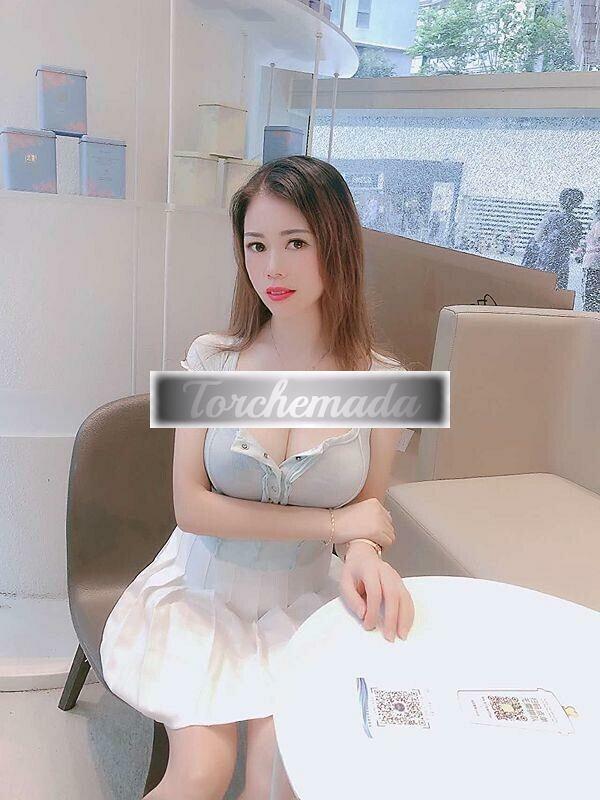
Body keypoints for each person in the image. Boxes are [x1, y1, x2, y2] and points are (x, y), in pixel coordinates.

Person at [99, 155, 416, 800]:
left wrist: (363, 553)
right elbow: (191, 507)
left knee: (278, 783)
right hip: (203, 592)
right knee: (199, 775)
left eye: (296, 243)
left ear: (337, 246)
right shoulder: (211, 359)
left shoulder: (385, 383)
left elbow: (368, 514)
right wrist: (335, 524)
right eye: (256, 245)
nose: (272, 268)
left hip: (302, 602)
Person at [532, 188, 585, 290]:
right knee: (558, 289)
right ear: (576, 204)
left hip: (545, 258)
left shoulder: (550, 217)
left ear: (560, 201)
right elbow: (574, 246)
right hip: (562, 261)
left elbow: (537, 238)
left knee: (540, 288)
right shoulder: (577, 223)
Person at [582, 202, 600, 312]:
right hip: (594, 262)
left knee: (589, 296)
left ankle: (589, 317)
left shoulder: (597, 224)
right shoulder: (595, 224)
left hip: (593, 263)